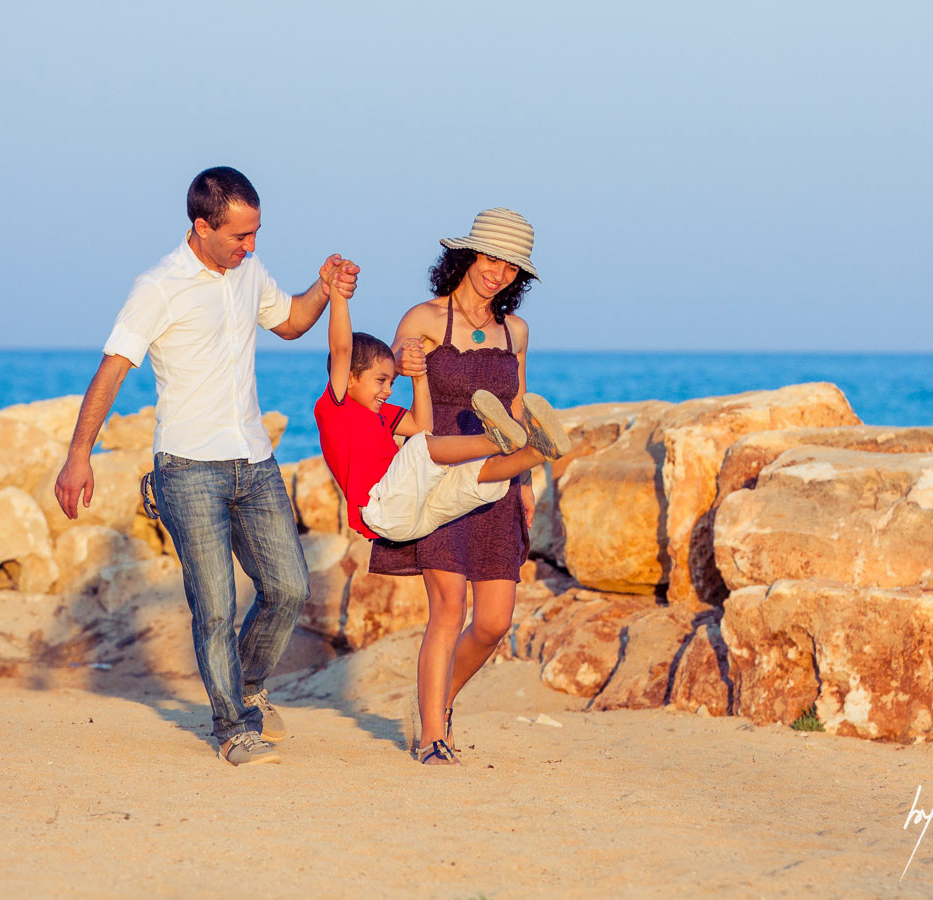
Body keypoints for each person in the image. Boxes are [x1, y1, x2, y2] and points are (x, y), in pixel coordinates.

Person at [54, 166, 356, 767]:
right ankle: (233, 728)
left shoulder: (249, 272)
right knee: (214, 604)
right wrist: (78, 455)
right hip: (188, 468)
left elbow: (292, 321)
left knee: (289, 589)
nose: (251, 247)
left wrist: (324, 288)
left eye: (256, 234)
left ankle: (246, 687)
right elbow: (112, 370)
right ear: (201, 227)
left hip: (255, 462)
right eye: (240, 236)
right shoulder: (159, 286)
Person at [372, 207, 559, 765]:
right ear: (466, 255)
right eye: (490, 257)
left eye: (510, 266)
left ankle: (439, 700)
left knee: (495, 620)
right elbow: (385, 390)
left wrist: (524, 482)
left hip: (498, 475)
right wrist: (409, 366)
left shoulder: (515, 331)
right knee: (448, 606)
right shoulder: (425, 319)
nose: (497, 272)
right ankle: (433, 736)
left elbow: (518, 408)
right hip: (441, 472)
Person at [313, 269, 569, 553]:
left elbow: (423, 427)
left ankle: (537, 451)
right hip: (383, 509)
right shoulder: (336, 408)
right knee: (422, 448)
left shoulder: (382, 414)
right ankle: (494, 440)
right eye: (381, 381)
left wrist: (420, 376)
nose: (388, 390)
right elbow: (341, 349)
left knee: (477, 474)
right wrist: (339, 296)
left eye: (391, 382)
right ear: (349, 378)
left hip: (419, 511)